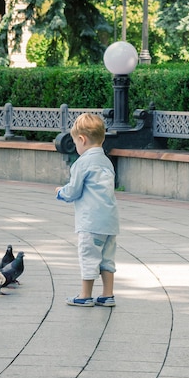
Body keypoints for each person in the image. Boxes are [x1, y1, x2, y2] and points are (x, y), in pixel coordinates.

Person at [55, 113, 120, 307]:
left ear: (81, 139)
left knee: (88, 257)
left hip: (91, 222)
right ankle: (108, 295)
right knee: (107, 259)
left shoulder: (82, 163)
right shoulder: (107, 161)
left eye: (76, 142)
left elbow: (73, 191)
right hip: (110, 222)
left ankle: (85, 295)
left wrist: (60, 192)